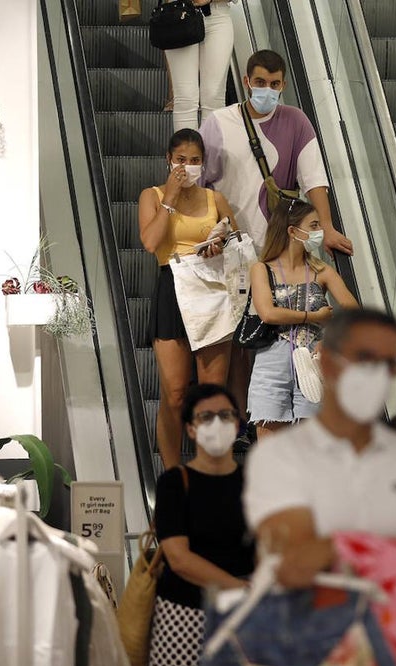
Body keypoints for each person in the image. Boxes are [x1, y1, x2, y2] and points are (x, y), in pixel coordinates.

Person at [244, 308, 396, 666]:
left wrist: (341, 548)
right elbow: (295, 562)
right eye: (364, 359)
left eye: (388, 363)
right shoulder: (279, 458)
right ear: (326, 361)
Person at [138, 128, 239, 470]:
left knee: (212, 395)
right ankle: (171, 476)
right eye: (181, 160)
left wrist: (220, 243)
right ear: (169, 160)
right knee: (176, 393)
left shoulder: (215, 200)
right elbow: (151, 243)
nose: (188, 167)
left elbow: (237, 244)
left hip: (212, 290)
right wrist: (170, 196)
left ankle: (210, 471)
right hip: (173, 288)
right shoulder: (151, 195)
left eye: (195, 161)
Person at [149, 383, 256, 666]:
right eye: (206, 417)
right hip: (184, 617)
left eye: (225, 415)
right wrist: (240, 589)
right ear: (191, 429)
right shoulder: (174, 483)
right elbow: (179, 558)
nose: (217, 424)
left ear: (237, 424)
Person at [200, 49, 353, 257]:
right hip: (228, 245)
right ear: (247, 82)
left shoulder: (297, 122)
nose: (267, 90)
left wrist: (327, 227)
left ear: (283, 85)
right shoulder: (217, 122)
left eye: (274, 84)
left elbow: (314, 180)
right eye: (260, 82)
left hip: (278, 246)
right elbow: (199, 183)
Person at [247, 199, 357, 438]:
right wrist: (314, 316)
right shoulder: (262, 269)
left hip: (313, 360)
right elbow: (268, 312)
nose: (320, 232)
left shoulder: (322, 271)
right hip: (271, 360)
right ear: (293, 231)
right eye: (314, 225)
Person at [164, 0, 233, 131]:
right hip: (178, 14)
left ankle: (212, 150)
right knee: (185, 97)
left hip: (218, 15)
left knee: (214, 95)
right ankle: (186, 151)